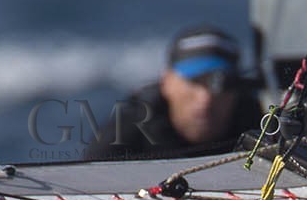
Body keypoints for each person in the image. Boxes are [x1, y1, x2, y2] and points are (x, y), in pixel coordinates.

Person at [81, 26, 265, 161]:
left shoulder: (261, 127)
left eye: (221, 85)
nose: (206, 98)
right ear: (167, 82)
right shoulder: (131, 128)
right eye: (194, 81)